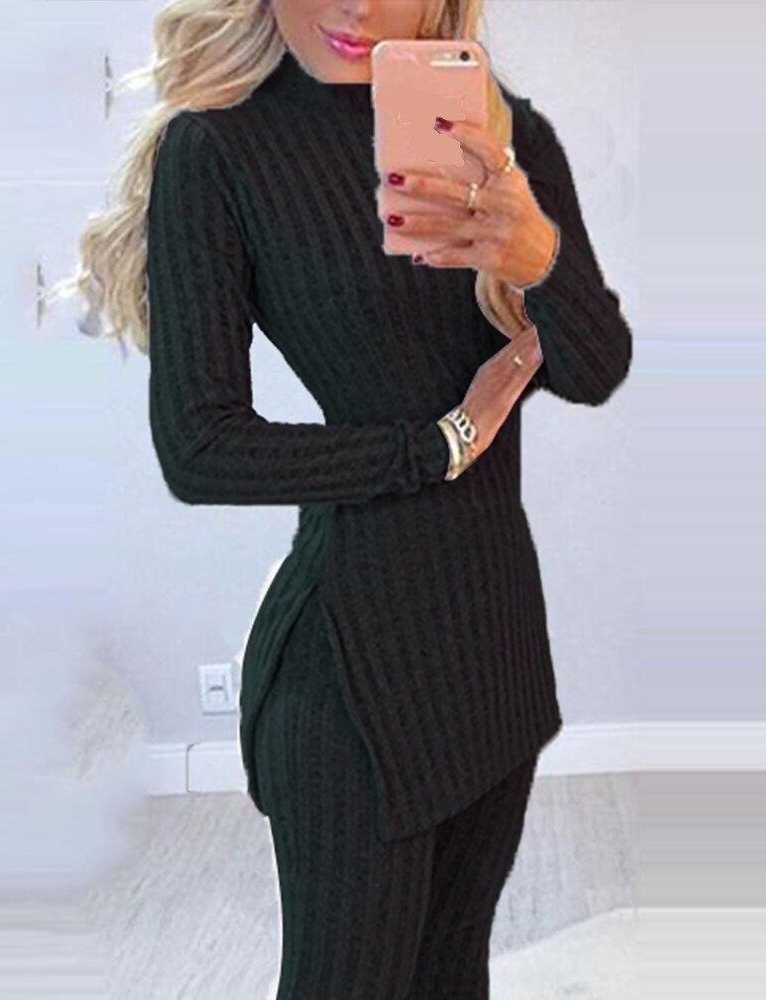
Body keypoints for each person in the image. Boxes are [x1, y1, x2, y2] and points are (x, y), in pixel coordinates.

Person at [59, 1, 632, 996]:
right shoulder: (218, 152)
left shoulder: (503, 133)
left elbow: (593, 367)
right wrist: (435, 446)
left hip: (493, 646)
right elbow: (200, 447)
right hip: (350, 674)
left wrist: (538, 255)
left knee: (450, 972)